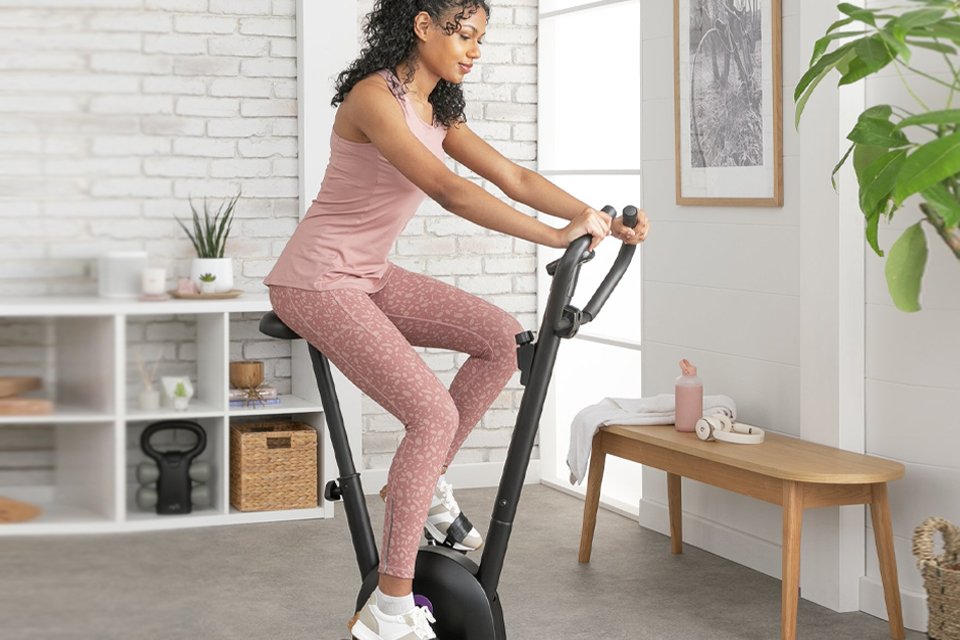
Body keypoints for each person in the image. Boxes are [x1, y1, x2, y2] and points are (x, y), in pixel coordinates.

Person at [264, 1, 649, 638]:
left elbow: (512, 176)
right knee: (432, 414)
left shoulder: (440, 106)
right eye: (463, 35)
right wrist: (555, 237)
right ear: (422, 26)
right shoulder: (373, 97)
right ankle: (389, 609)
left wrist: (599, 218)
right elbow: (451, 190)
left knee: (501, 338)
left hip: (368, 275)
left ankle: (423, 484)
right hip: (314, 282)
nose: (474, 50)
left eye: (480, 38)